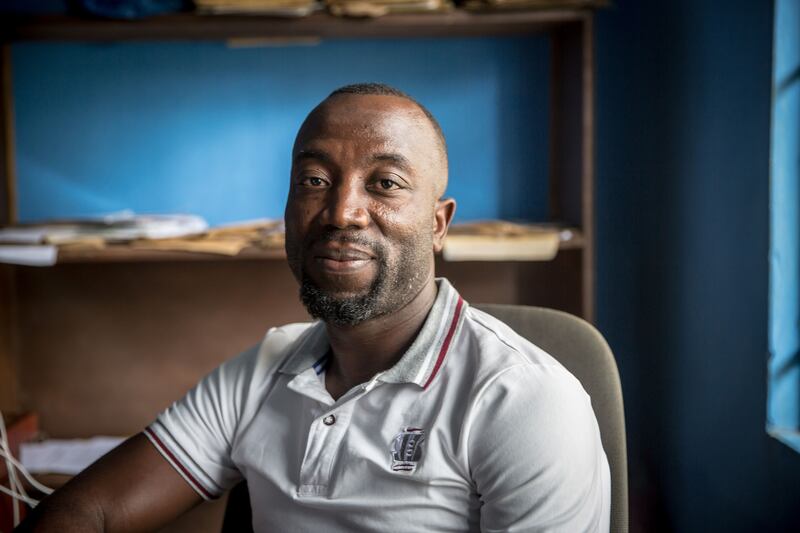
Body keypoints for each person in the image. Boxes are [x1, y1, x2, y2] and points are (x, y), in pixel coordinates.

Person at [18, 83, 610, 532]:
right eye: (314, 179)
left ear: (437, 224)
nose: (341, 211)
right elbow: (87, 510)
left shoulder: (525, 401)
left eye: (385, 183)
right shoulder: (263, 370)